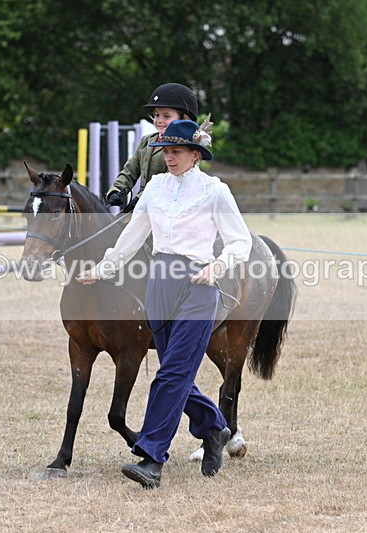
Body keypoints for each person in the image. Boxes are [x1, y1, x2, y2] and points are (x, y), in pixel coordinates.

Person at [76, 119, 250, 489]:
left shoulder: (215, 192)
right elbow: (131, 236)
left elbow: (240, 242)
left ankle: (152, 458)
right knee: (179, 375)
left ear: (195, 154)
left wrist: (217, 265)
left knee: (170, 374)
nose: (168, 158)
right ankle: (215, 428)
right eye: (165, 152)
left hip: (198, 287)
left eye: (175, 152)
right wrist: (103, 268)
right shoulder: (154, 188)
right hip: (159, 286)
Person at [105, 83, 199, 209]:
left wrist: (139, 199)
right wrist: (117, 190)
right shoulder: (147, 141)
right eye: (156, 115)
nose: (159, 120)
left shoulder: (183, 148)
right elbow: (130, 170)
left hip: (168, 205)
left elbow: (169, 180)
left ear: (184, 118)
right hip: (142, 203)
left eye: (166, 116)